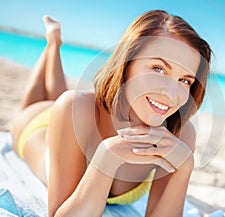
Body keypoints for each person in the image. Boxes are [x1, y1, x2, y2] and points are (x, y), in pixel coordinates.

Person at [10, 10, 212, 217]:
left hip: (74, 113)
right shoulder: (73, 107)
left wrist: (184, 167)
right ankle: (53, 43)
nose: (171, 94)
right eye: (158, 69)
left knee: (61, 98)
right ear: (126, 63)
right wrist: (105, 159)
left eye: (185, 80)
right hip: (35, 126)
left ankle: (54, 44)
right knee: (48, 102)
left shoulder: (180, 134)